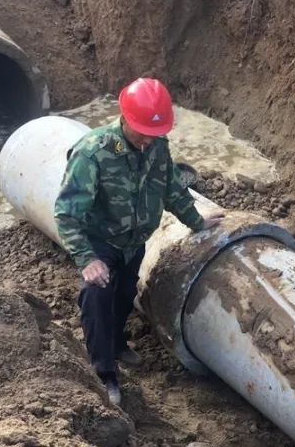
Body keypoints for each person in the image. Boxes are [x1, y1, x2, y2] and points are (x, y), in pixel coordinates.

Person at [54, 77, 222, 405]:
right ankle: (104, 372)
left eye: (155, 133)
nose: (148, 139)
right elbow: (66, 212)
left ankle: (117, 342)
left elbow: (170, 186)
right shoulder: (93, 153)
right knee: (97, 295)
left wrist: (196, 221)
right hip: (101, 240)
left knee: (125, 293)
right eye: (143, 131)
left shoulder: (156, 146)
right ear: (125, 118)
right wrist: (87, 258)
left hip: (134, 242)